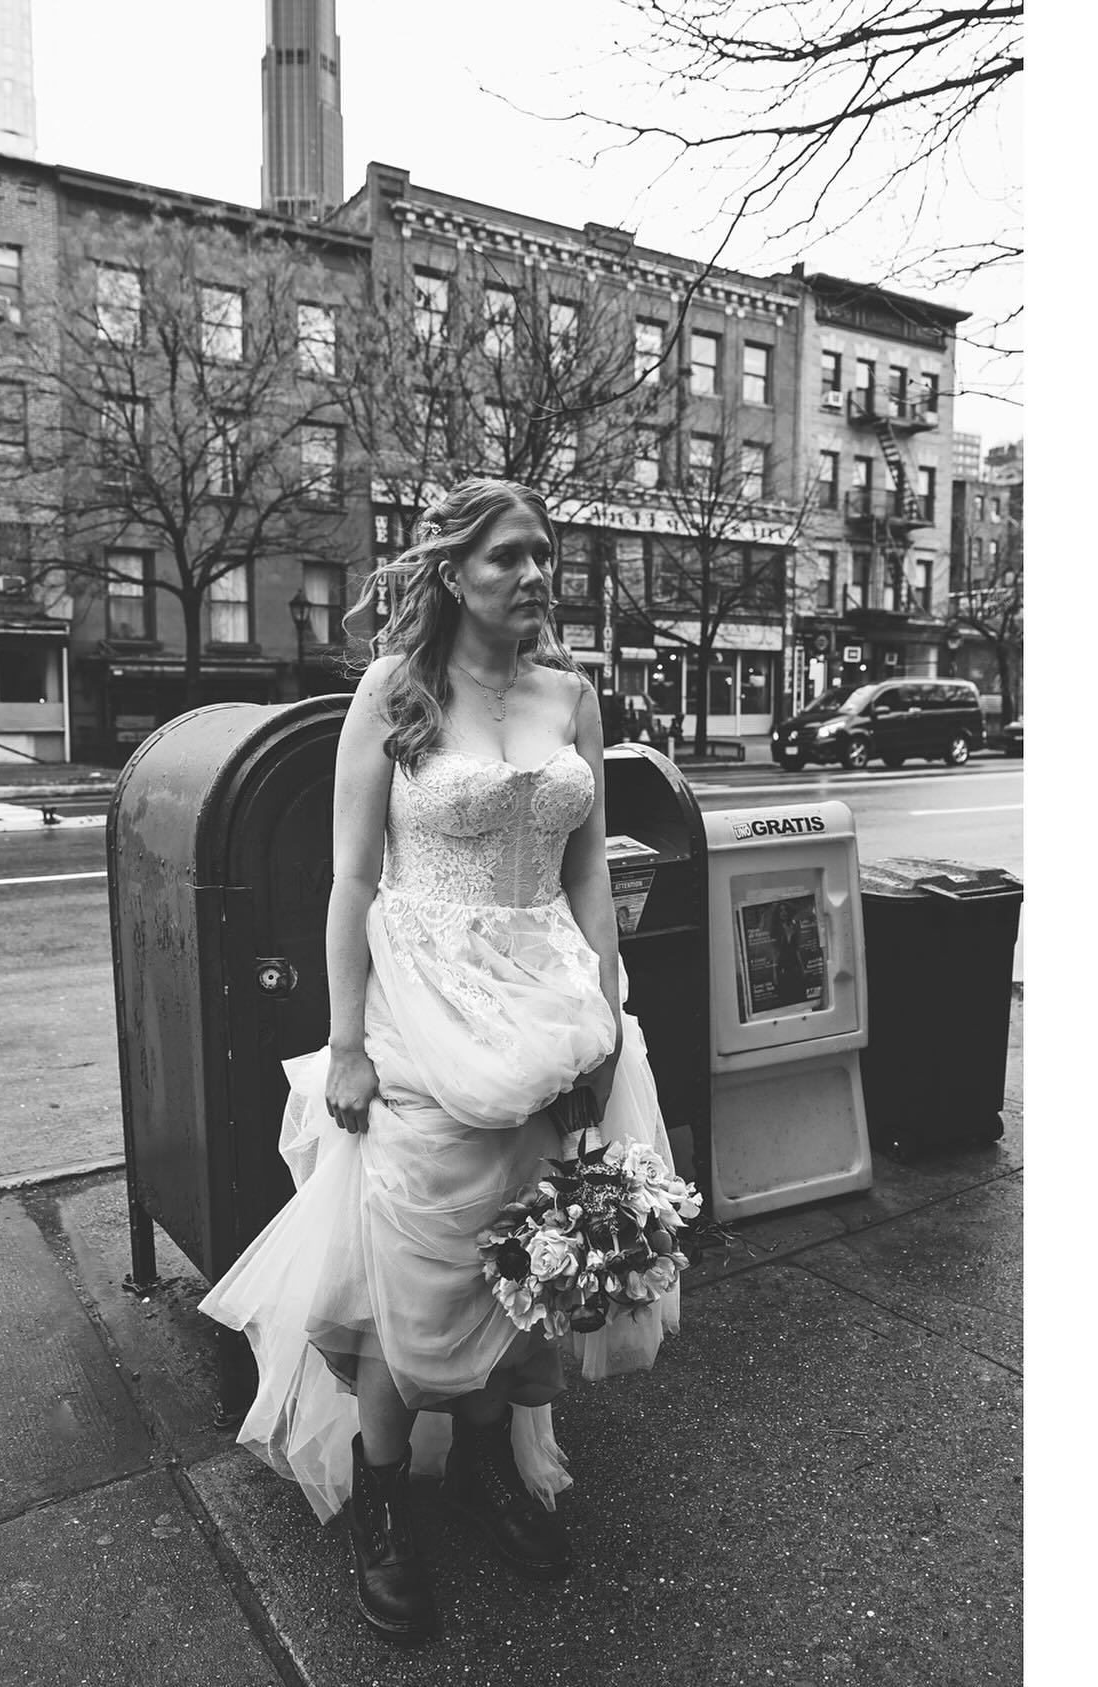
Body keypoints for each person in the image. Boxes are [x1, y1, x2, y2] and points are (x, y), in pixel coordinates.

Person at [199, 478, 683, 1644]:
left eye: (545, 556)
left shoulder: (573, 693)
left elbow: (582, 877)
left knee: (538, 1254)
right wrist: (350, 1042)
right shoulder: (393, 693)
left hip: (556, 1010)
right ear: (454, 570)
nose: (534, 574)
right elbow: (352, 881)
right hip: (426, 1017)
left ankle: (483, 1468)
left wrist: (609, 1009)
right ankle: (385, 1502)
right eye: (510, 556)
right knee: (414, 1272)